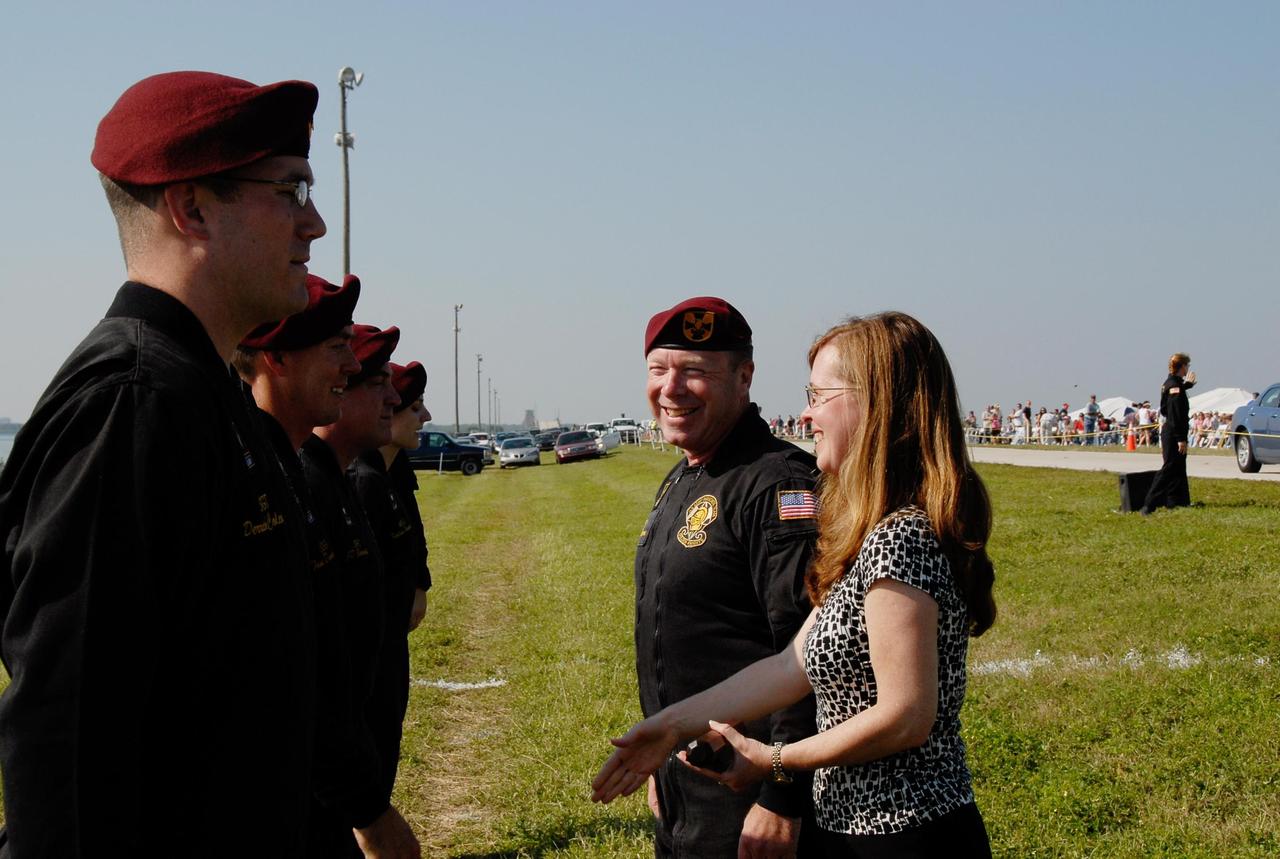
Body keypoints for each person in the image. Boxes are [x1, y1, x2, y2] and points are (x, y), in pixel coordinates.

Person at [0, 71, 325, 856]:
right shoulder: (133, 404)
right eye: (289, 190)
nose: (313, 223)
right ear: (192, 207)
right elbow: (70, 742)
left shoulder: (200, 392)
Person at [594, 311, 997, 857]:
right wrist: (669, 727)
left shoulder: (902, 537)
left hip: (904, 835)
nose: (805, 413)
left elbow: (906, 716)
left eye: (819, 394)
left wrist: (777, 768)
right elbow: (789, 666)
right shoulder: (874, 532)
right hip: (850, 830)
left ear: (877, 403)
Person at [633, 297, 821, 857]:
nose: (671, 388)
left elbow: (806, 647)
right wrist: (662, 760)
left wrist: (781, 798)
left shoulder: (777, 485)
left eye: (694, 371)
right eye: (659, 370)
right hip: (690, 778)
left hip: (748, 792)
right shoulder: (685, 473)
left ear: (744, 376)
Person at [348, 360, 434, 826]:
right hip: (373, 650)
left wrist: (420, 584)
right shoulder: (362, 481)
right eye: (413, 407)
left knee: (385, 743)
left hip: (388, 644)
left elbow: (410, 542)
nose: (424, 417)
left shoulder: (390, 474)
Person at [1140, 353, 1196, 516]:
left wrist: (1188, 385)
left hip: (1172, 430)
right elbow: (1175, 413)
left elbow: (1168, 403)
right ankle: (1148, 504)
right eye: (1187, 366)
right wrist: (1181, 438)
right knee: (1169, 468)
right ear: (1182, 366)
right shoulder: (1174, 386)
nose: (1188, 369)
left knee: (1179, 468)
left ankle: (1178, 502)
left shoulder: (1171, 384)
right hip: (1173, 433)